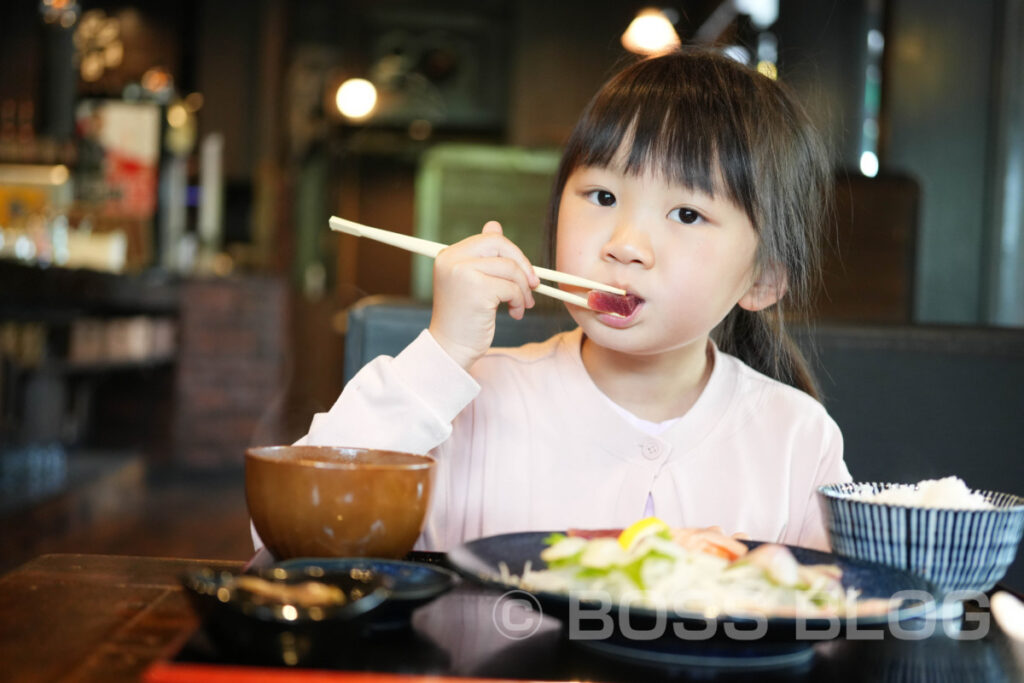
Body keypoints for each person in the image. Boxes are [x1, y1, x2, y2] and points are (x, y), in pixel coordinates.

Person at [292, 48, 851, 552]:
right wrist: (441, 356)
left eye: (687, 214)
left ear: (764, 280)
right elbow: (299, 534)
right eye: (602, 196)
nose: (625, 246)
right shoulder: (467, 401)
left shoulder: (798, 438)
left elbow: (839, 618)